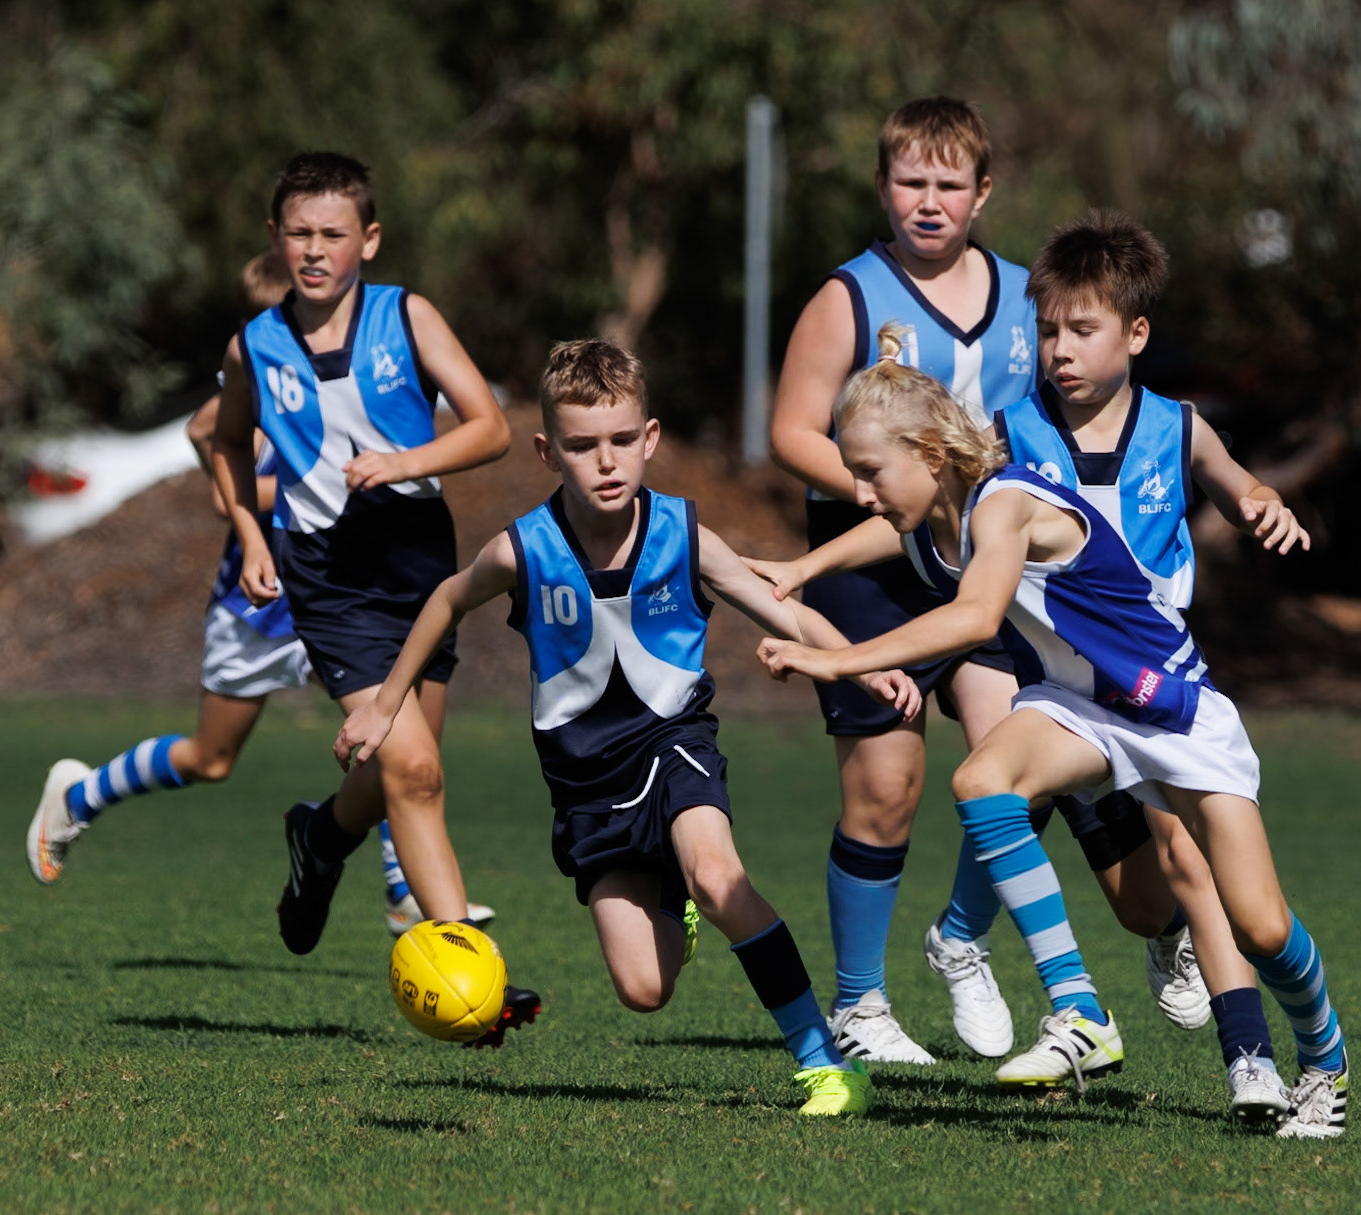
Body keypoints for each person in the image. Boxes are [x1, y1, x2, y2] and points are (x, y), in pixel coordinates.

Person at [757, 314, 1347, 1136]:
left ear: (929, 455)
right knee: (982, 781)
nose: (860, 491)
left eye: (869, 472)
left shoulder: (1002, 504)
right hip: (1077, 707)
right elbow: (886, 533)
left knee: (1262, 924)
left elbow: (974, 617)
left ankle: (1324, 1057)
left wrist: (838, 659)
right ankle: (1079, 1007)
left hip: (1170, 708)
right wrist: (802, 568)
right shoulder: (931, 519)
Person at [334, 338, 922, 1114]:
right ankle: (675, 898)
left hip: (675, 743)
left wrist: (862, 665)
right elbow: (446, 598)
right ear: (548, 451)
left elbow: (783, 609)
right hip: (587, 782)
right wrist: (384, 703)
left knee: (719, 875)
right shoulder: (522, 549)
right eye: (582, 445)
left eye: (620, 440)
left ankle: (824, 1062)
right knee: (644, 989)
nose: (605, 462)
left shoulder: (684, 534)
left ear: (649, 439)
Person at [765, 96, 1205, 1064]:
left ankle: (963, 938)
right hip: (877, 557)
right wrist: (895, 493)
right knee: (888, 783)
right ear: (882, 187)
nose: (928, 201)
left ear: (983, 191)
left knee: (1015, 749)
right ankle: (860, 1005)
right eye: (910, 181)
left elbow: (1074, 415)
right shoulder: (847, 297)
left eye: (948, 183)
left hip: (985, 556)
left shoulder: (1024, 299)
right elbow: (791, 430)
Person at [23, 251, 497, 928]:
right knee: (212, 756)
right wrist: (284, 499)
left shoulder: (361, 366)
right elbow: (208, 442)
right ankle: (80, 795)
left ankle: (403, 886)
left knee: (400, 738)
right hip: (262, 599)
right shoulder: (264, 370)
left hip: (342, 586)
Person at [206, 154, 515, 978]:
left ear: (368, 240)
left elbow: (491, 428)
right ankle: (468, 969)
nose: (314, 250)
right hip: (329, 578)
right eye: (299, 233)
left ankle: (318, 837)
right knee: (412, 767)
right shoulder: (254, 346)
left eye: (333, 234)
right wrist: (252, 535)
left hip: (421, 570)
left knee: (398, 773)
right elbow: (227, 443)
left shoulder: (407, 317)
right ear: (275, 238)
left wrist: (406, 462)